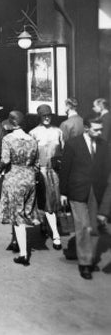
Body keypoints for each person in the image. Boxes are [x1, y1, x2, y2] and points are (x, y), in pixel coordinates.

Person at [60, 117, 110, 279]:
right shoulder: (73, 144)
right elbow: (65, 169)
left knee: (94, 227)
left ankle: (89, 257)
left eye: (100, 129)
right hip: (77, 191)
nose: (99, 132)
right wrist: (63, 192)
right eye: (96, 129)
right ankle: (85, 264)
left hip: (96, 191)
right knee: (82, 226)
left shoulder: (103, 145)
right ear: (87, 128)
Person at [0, 111, 39, 266]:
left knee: (17, 215)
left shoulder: (8, 139)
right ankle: (14, 242)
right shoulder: (32, 139)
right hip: (30, 177)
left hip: (14, 178)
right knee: (22, 211)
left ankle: (23, 254)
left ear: (11, 124)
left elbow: (5, 159)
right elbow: (36, 163)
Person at [29, 104, 64, 250]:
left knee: (55, 201)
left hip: (55, 171)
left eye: (49, 115)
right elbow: (31, 154)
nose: (47, 117)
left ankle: (46, 224)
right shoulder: (33, 133)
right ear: (39, 117)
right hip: (41, 171)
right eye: (44, 115)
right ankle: (56, 235)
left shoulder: (58, 131)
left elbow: (63, 150)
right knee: (46, 201)